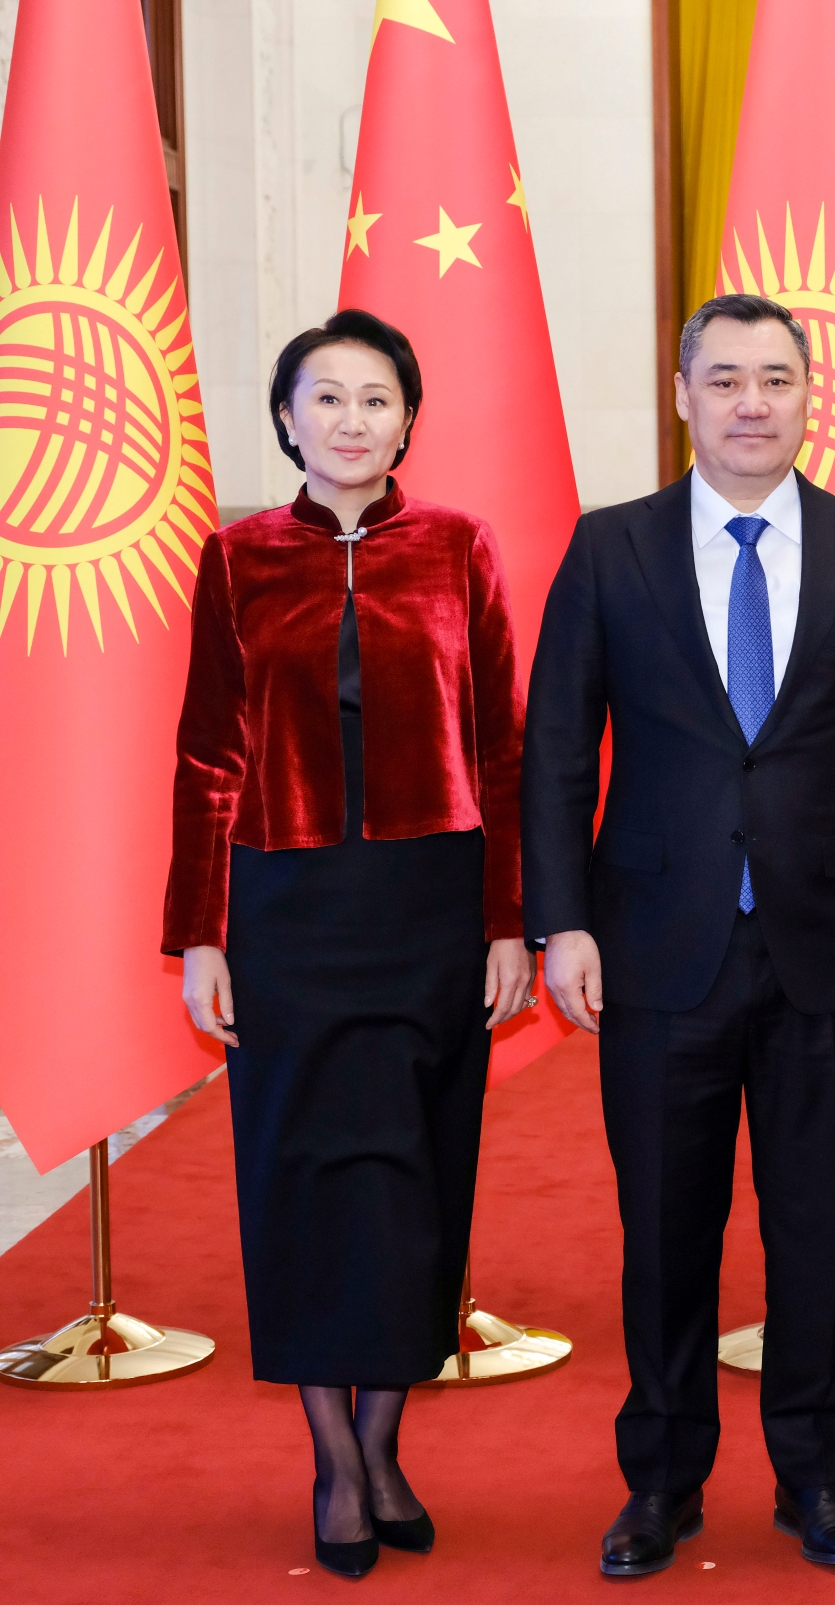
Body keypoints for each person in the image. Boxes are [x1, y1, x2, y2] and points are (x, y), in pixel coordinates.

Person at [522, 293, 835, 1577]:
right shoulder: (609, 549)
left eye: (775, 378)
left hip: (826, 941)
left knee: (817, 1223)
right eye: (723, 380)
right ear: (681, 398)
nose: (751, 403)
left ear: (809, 395)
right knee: (665, 1228)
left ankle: (816, 1477)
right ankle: (660, 1481)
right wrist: (560, 921)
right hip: (654, 946)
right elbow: (557, 751)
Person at [164, 310, 534, 1579]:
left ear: (408, 419)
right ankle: (334, 1458)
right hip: (286, 911)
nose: (351, 420)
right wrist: (200, 936)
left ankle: (385, 1443)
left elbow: (503, 745)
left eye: (376, 399)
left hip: (431, 906)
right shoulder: (236, 558)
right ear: (286, 418)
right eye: (325, 398)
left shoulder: (459, 546)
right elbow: (206, 755)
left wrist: (508, 919)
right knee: (302, 1177)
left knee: (417, 1174)